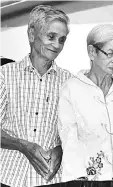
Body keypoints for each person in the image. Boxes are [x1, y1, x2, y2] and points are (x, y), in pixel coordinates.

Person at [58, 24, 113, 181]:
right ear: (92, 52)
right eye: (110, 54)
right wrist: (78, 179)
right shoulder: (72, 89)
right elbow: (70, 140)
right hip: (89, 181)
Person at [0, 5, 72, 187]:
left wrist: (62, 149)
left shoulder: (70, 82)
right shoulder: (4, 75)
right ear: (32, 34)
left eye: (62, 40)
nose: (56, 45)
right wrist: (22, 145)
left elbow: (77, 133)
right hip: (8, 178)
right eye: (51, 36)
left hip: (52, 179)